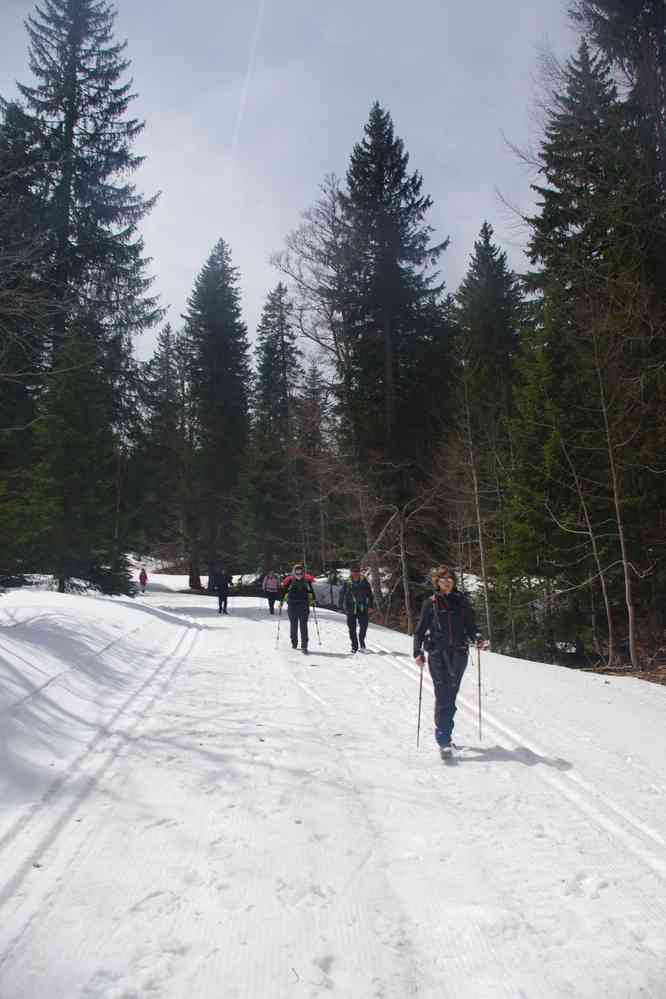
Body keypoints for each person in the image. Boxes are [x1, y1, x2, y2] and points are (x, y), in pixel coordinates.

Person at [413, 567, 482, 758]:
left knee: (451, 696)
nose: (447, 581)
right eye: (443, 578)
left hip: (459, 654)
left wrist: (477, 637)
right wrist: (417, 651)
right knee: (443, 694)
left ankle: (446, 735)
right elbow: (420, 630)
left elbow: (471, 625)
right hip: (437, 654)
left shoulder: (462, 601)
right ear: (437, 581)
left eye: (450, 578)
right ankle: (443, 740)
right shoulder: (431, 603)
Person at [281, 563, 316, 654]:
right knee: (294, 624)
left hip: (304, 606)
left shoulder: (306, 581)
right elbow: (284, 592)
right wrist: (281, 601)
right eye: (297, 572)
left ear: (303, 572)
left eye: (300, 572)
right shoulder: (289, 581)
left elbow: (311, 592)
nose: (299, 574)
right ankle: (294, 642)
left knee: (303, 625)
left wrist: (313, 600)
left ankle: (304, 645)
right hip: (292, 606)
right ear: (294, 572)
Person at [338, 565, 373, 653]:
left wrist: (371, 606)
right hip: (350, 608)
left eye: (357, 571)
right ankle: (354, 646)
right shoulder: (347, 582)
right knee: (351, 628)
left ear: (359, 572)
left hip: (362, 608)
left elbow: (370, 595)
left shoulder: (364, 582)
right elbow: (341, 594)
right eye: (354, 572)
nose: (355, 573)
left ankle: (361, 642)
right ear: (351, 572)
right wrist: (340, 606)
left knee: (364, 627)